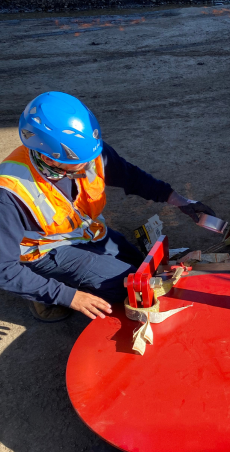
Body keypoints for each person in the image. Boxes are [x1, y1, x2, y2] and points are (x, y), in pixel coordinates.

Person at [0, 92, 216, 322]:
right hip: (44, 252)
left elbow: (132, 177)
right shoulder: (9, 191)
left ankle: (64, 279)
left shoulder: (88, 152)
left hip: (87, 232)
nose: (89, 164)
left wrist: (183, 202)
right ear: (49, 157)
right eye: (77, 162)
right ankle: (42, 286)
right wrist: (69, 296)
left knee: (142, 269)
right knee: (127, 288)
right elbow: (4, 269)